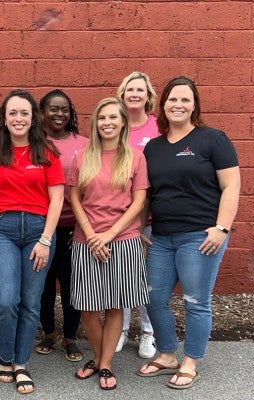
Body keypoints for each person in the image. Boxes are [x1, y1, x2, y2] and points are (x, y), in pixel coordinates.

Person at [137, 76, 240, 390]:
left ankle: (191, 360)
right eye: (172, 99)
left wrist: (221, 228)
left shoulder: (212, 139)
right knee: (153, 298)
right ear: (163, 104)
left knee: (196, 300)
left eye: (185, 100)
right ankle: (167, 354)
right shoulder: (153, 147)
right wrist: (141, 227)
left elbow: (231, 186)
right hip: (161, 236)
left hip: (200, 236)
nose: (178, 105)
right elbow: (146, 193)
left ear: (195, 105)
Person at [0, 89, 65, 394]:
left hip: (39, 232)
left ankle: (20, 363)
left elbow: (57, 199)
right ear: (4, 118)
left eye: (24, 113)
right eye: (13, 113)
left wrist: (46, 240)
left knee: (30, 302)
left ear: (33, 117)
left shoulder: (47, 151)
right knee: (6, 299)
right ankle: (6, 356)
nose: (19, 118)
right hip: (2, 231)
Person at [70, 97, 149, 390]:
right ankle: (100, 356)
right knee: (88, 307)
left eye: (114, 118)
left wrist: (109, 234)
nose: (108, 123)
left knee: (115, 306)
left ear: (123, 122)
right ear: (95, 123)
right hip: (86, 241)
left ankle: (103, 364)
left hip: (123, 240)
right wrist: (92, 234)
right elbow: (75, 197)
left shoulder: (135, 157)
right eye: (102, 118)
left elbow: (138, 201)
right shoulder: (82, 157)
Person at [34, 89, 87, 362]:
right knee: (43, 284)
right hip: (41, 227)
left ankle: (70, 336)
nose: (59, 114)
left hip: (73, 228)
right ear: (42, 112)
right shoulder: (33, 142)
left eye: (65, 109)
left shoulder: (85, 144)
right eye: (53, 109)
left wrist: (82, 227)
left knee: (70, 285)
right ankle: (48, 332)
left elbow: (92, 188)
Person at [115, 71, 159, 358]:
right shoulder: (116, 126)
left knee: (148, 278)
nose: (134, 94)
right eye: (129, 89)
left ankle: (148, 332)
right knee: (125, 276)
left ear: (148, 95)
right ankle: (121, 329)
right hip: (120, 217)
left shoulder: (158, 128)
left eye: (139, 90)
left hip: (154, 215)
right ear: (122, 94)